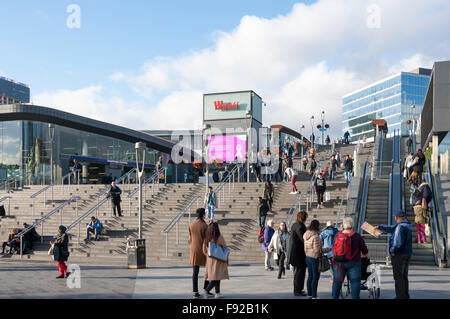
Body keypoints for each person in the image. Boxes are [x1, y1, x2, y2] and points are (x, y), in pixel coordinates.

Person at [375, 210, 412, 299]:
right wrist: (380, 227)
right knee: (404, 276)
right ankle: (405, 295)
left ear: (396, 217)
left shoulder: (400, 227)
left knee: (398, 276)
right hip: (407, 254)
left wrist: (393, 251)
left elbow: (398, 242)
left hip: (399, 255)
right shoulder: (407, 225)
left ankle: (400, 296)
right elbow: (391, 228)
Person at [331, 217, 369, 299]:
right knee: (355, 282)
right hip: (354, 262)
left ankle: (334, 297)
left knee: (337, 282)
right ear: (352, 225)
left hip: (339, 262)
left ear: (343, 225)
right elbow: (364, 249)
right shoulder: (357, 236)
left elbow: (334, 247)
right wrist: (367, 256)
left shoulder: (337, 235)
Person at [202, 222, 229, 298]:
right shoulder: (219, 237)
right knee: (216, 276)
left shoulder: (206, 237)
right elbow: (224, 247)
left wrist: (208, 255)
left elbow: (203, 250)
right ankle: (206, 291)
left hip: (209, 260)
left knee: (216, 276)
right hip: (218, 260)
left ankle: (217, 293)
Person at [304, 219, 328, 299]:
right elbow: (317, 250)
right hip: (315, 258)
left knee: (310, 276)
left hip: (308, 257)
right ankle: (314, 295)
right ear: (317, 226)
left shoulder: (306, 234)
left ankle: (309, 294)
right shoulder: (316, 236)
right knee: (315, 277)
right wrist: (327, 249)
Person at [189, 208, 209, 299]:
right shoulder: (205, 226)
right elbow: (207, 239)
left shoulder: (191, 225)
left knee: (195, 272)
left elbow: (190, 239)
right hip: (204, 250)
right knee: (207, 270)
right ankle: (206, 289)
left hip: (194, 250)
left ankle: (195, 291)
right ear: (203, 215)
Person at [287, 211, 308, 296]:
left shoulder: (294, 224)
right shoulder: (300, 226)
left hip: (294, 252)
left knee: (298, 272)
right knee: (300, 272)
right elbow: (303, 238)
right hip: (298, 253)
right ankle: (297, 290)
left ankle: (298, 289)